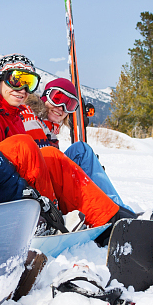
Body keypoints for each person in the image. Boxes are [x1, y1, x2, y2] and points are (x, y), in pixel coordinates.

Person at [0, 54, 134, 233]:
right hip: (0, 191)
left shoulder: (12, 113)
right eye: (16, 80)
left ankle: (114, 218)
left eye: (30, 83)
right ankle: (54, 219)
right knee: (34, 149)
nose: (23, 88)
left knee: (59, 154)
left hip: (21, 183)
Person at [30, 78, 125, 209]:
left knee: (81, 150)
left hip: (47, 179)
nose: (61, 108)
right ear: (45, 97)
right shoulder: (31, 120)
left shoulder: (50, 129)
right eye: (57, 99)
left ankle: (112, 205)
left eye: (68, 105)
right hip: (39, 187)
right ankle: (114, 208)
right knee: (81, 151)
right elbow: (41, 165)